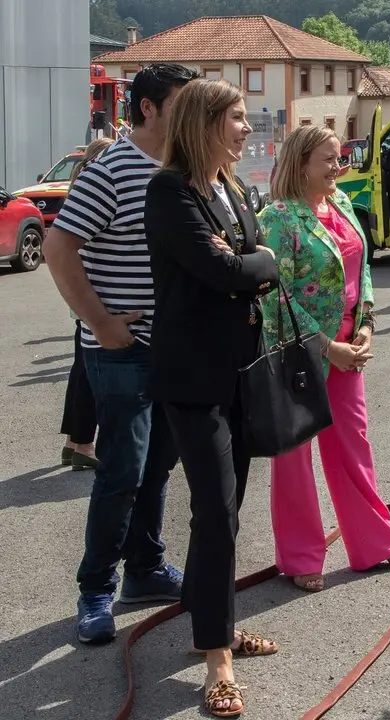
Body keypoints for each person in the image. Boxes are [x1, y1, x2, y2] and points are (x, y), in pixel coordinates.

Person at [44, 63, 197, 644]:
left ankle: (146, 569)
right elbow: (59, 248)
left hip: (169, 348)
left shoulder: (179, 167)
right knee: (122, 471)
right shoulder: (112, 167)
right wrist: (101, 322)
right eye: (182, 103)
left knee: (157, 466)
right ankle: (95, 590)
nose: (193, 115)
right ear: (149, 107)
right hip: (121, 351)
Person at [143, 78, 280, 718]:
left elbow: (248, 259)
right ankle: (217, 659)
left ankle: (213, 622)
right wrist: (253, 261)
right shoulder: (169, 191)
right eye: (236, 118)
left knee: (221, 510)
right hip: (192, 380)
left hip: (236, 372)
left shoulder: (228, 187)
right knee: (218, 511)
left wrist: (250, 260)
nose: (247, 128)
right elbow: (234, 269)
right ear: (204, 124)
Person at [260, 124, 390, 594]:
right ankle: (301, 556)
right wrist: (327, 346)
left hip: (350, 347)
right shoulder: (278, 217)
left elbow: (363, 271)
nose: (338, 166)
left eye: (340, 157)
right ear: (300, 162)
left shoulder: (343, 205)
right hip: (299, 354)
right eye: (329, 159)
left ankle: (375, 544)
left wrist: (367, 324)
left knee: (353, 446)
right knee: (294, 457)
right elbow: (275, 298)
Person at [59, 137, 114, 471]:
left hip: (85, 295)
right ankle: (82, 443)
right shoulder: (97, 187)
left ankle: (74, 441)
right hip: (93, 296)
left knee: (80, 371)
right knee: (88, 375)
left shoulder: (81, 184)